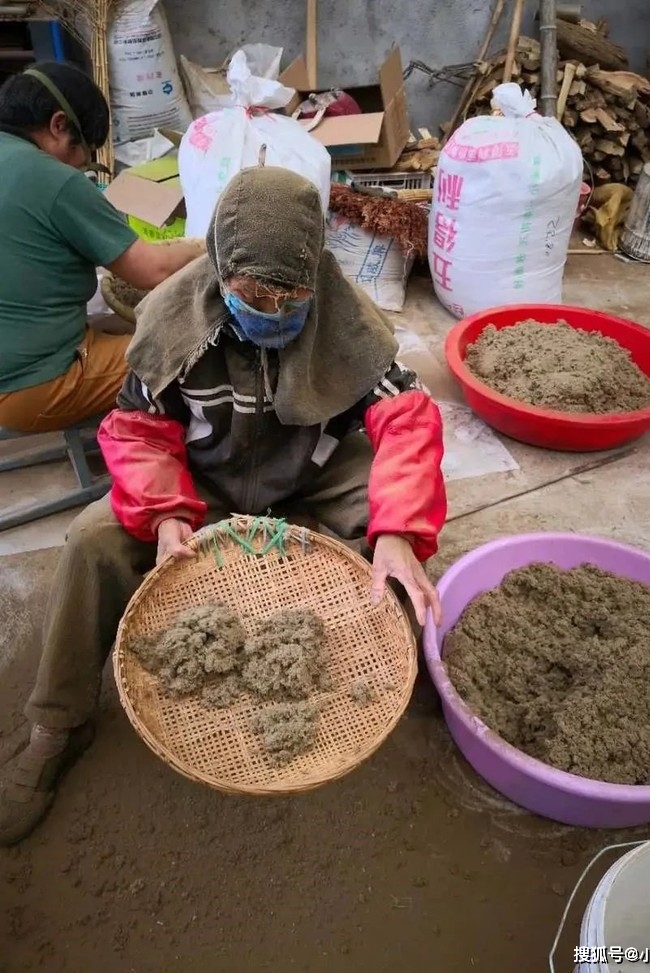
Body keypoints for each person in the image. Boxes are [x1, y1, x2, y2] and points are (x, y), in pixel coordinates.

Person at [0, 166, 448, 845]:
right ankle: (57, 722)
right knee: (91, 539)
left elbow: (408, 419)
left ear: (316, 276)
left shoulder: (347, 318)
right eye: (252, 295)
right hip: (206, 478)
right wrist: (165, 511)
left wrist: (398, 531)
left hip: (308, 470)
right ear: (219, 268)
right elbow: (136, 430)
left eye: (290, 296)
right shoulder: (172, 318)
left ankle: (407, 670)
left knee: (400, 538)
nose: (271, 311)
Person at [0, 62, 203, 433]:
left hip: (13, 362)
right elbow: (151, 270)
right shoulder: (49, 176)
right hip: (30, 384)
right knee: (197, 352)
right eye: (84, 152)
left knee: (120, 325)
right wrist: (203, 250)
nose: (80, 166)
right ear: (59, 125)